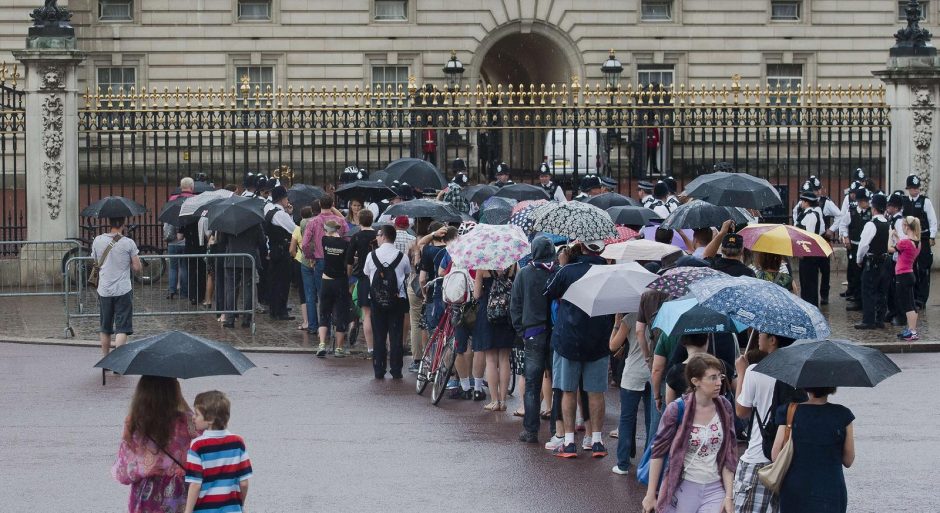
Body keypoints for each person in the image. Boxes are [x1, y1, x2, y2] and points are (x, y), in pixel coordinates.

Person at [641, 354, 738, 513]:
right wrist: (650, 494)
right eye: (712, 378)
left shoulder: (725, 407)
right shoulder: (677, 409)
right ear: (696, 381)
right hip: (684, 487)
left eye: (720, 377)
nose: (719, 383)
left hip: (715, 488)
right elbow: (658, 451)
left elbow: (730, 454)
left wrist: (729, 496)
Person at [545, 240, 615, 458]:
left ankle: (568, 441)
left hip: (569, 338)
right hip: (599, 338)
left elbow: (548, 292)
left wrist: (565, 261)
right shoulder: (609, 272)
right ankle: (596, 440)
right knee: (596, 392)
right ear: (601, 249)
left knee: (567, 389)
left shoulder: (567, 271)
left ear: (582, 246)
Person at [732, 331, 799, 513]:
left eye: (761, 334)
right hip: (787, 457)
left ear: (772, 340)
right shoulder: (797, 371)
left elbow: (741, 411)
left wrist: (742, 373)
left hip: (758, 456)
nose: (757, 338)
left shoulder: (755, 370)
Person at [112, 376, 198, 513]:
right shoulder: (186, 422)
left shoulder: (135, 423)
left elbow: (123, 471)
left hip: (147, 496)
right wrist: (183, 401)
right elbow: (200, 443)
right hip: (180, 495)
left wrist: (145, 468)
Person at [770, 387, 855, 513]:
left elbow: (775, 455)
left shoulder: (789, 411)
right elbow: (848, 460)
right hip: (831, 489)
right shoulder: (843, 415)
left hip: (795, 488)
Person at [511, 236, 558, 443]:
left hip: (532, 332)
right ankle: (559, 429)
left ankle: (531, 430)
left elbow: (515, 305)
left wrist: (522, 331)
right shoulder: (557, 272)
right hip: (556, 332)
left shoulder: (524, 274)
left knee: (532, 384)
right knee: (558, 383)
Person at [183, 391, 252, 513]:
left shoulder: (197, 445)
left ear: (210, 419)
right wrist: (240, 506)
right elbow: (244, 483)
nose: (193, 417)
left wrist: (187, 511)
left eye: (197, 414)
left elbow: (195, 485)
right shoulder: (238, 442)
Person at [363, 225, 412, 379]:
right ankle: (396, 370)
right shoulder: (402, 256)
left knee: (379, 336)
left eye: (378, 235)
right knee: (396, 335)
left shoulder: (371, 256)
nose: (377, 238)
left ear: (383, 236)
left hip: (377, 300)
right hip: (397, 300)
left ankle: (379, 369)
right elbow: (407, 272)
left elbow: (366, 272)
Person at [92, 217, 142, 357]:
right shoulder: (128, 243)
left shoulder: (98, 240)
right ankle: (117, 361)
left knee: (105, 327)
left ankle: (105, 359)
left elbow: (95, 261)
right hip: (122, 289)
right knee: (122, 327)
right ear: (123, 224)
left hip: (104, 289)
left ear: (109, 223)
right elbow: (137, 267)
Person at [609, 311, 651, 475]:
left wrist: (616, 323)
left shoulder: (631, 318)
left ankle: (623, 463)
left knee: (627, 418)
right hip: (652, 372)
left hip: (633, 372)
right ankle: (649, 463)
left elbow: (613, 345)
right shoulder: (660, 316)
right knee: (651, 420)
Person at [473, 264, 517, 412]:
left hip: (488, 315)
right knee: (505, 359)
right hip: (507, 316)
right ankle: (503, 401)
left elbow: (477, 294)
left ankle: (494, 401)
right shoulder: (514, 266)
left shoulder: (483, 268)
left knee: (490, 359)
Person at [219, 223, 266, 329]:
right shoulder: (255, 222)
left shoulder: (228, 222)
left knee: (231, 289)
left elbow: (221, 241)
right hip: (248, 258)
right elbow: (262, 241)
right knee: (248, 288)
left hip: (232, 257)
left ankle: (230, 319)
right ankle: (246, 319)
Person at [855, 193, 891, 330]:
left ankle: (868, 320)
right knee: (882, 291)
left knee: (868, 290)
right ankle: (880, 319)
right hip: (885, 260)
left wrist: (859, 259)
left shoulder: (871, 224)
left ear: (874, 208)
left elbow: (863, 244)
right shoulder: (888, 224)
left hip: (872, 262)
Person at [902, 174, 937, 308]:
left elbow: (932, 220)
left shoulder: (925, 201)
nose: (915, 191)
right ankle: (913, 295)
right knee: (911, 268)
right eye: (912, 188)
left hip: (922, 238)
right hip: (909, 240)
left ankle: (921, 298)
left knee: (923, 268)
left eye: (916, 188)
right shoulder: (904, 201)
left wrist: (932, 236)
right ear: (908, 189)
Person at [317, 220, 351, 357]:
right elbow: (348, 265)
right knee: (341, 314)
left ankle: (321, 345)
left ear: (327, 230)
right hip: (340, 281)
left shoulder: (324, 240)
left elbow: (328, 233)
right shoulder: (345, 244)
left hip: (326, 280)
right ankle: (339, 348)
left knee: (324, 313)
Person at [263, 185, 297, 320]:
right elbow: (293, 229)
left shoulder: (271, 211)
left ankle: (275, 309)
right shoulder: (280, 214)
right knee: (283, 281)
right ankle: (280, 310)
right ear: (282, 199)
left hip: (275, 249)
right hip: (282, 251)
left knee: (275, 280)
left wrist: (289, 214)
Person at [346, 209, 377, 357]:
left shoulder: (357, 237)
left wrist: (349, 273)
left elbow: (350, 259)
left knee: (366, 312)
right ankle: (381, 344)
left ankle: (370, 348)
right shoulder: (378, 236)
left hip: (363, 276)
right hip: (378, 277)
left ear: (359, 220)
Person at [889, 216, 921, 341]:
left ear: (907, 226)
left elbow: (890, 249)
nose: (902, 227)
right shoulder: (916, 242)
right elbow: (904, 248)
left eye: (903, 225)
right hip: (909, 274)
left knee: (907, 305)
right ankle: (912, 330)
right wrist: (897, 237)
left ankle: (912, 331)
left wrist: (890, 235)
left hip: (902, 275)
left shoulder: (906, 242)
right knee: (912, 304)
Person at [838, 187, 871, 310]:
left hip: (867, 247)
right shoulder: (851, 212)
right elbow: (843, 225)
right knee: (855, 274)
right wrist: (845, 237)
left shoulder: (871, 212)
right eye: (863, 201)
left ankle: (865, 300)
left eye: (867, 201)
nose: (865, 204)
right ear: (858, 201)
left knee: (866, 275)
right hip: (854, 246)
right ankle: (857, 299)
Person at [794, 191, 827, 306]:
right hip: (804, 255)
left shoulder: (811, 216)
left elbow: (809, 236)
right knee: (805, 283)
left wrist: (802, 251)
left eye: (802, 201)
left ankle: (811, 307)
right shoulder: (804, 214)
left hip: (809, 255)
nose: (801, 203)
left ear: (807, 202)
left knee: (810, 285)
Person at [290, 206, 316, 332]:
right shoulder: (316, 225)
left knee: (303, 293)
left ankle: (306, 321)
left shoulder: (297, 229)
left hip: (301, 261)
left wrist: (297, 257)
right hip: (313, 260)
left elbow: (291, 249)